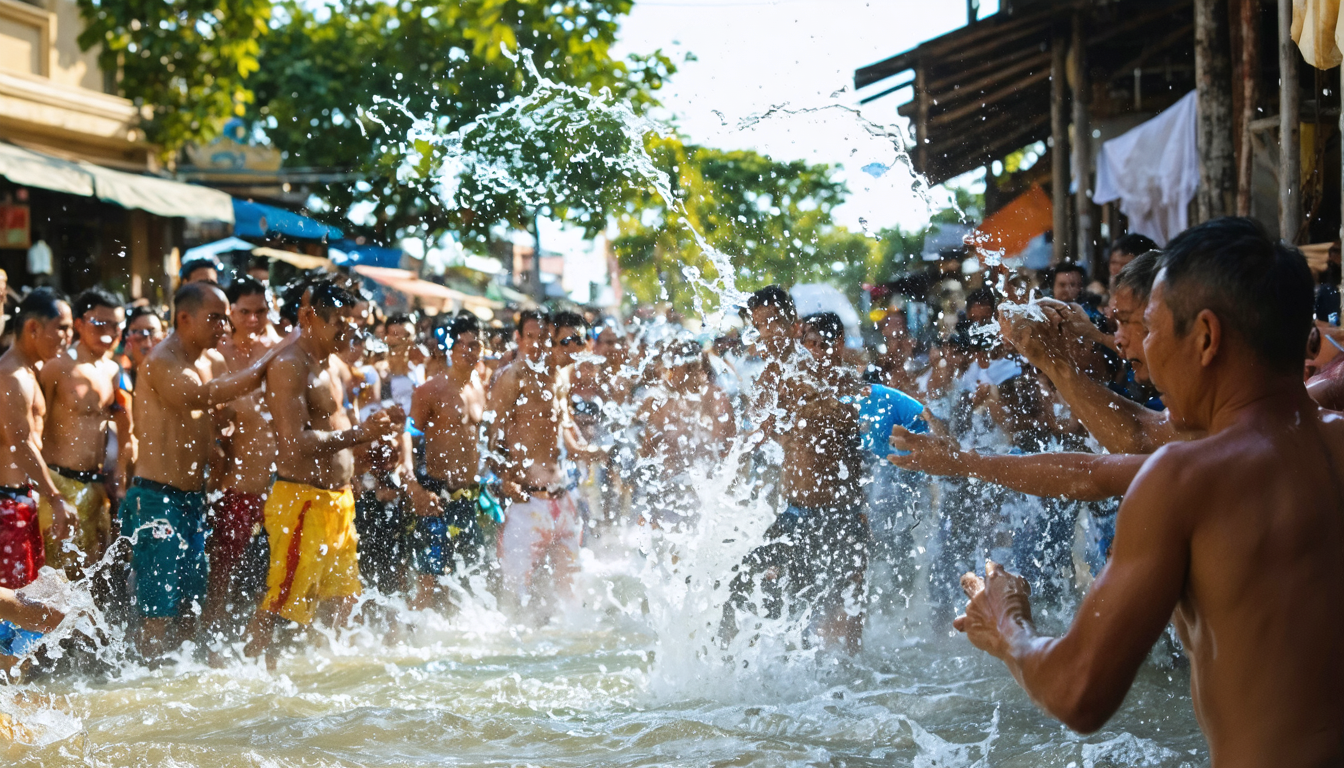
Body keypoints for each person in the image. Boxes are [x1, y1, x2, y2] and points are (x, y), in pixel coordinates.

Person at [954, 217, 1344, 765]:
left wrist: (1005, 622)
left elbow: (1077, 691)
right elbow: (1106, 464)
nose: (1139, 351)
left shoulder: (1184, 478)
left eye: (1152, 328)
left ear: (1206, 337)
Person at [125, 281, 288, 660]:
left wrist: (221, 436)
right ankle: (146, 682)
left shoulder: (211, 361)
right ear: (185, 318)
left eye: (223, 319)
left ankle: (183, 684)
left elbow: (219, 410)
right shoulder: (163, 360)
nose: (224, 328)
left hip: (193, 498)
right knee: (157, 608)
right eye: (215, 318)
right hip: (155, 497)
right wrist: (271, 359)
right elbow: (200, 397)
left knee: (191, 600)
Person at [244, 282, 400, 664]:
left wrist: (372, 449)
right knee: (281, 604)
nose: (349, 334)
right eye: (340, 325)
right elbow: (294, 442)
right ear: (311, 317)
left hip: (339, 501)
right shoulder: (289, 365)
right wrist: (361, 433)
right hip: (301, 502)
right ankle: (250, 681)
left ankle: (320, 679)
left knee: (342, 598)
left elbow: (339, 429)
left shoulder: (335, 363)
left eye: (353, 325)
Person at [722, 312, 868, 652]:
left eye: (824, 344)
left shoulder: (855, 390)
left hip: (844, 513)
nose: (817, 351)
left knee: (849, 604)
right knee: (783, 592)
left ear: (840, 345)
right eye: (810, 344)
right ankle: (763, 655)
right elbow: (759, 425)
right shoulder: (789, 384)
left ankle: (855, 672)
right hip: (798, 512)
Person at [486, 310, 593, 613]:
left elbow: (567, 438)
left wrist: (598, 452)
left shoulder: (563, 376)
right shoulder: (514, 375)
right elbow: (487, 436)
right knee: (514, 598)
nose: (574, 348)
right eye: (567, 341)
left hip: (562, 500)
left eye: (579, 341)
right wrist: (504, 478)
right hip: (526, 502)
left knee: (572, 600)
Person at [204, 277, 282, 658]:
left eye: (261, 311)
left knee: (268, 578)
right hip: (232, 486)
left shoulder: (280, 352)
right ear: (230, 314)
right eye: (245, 312)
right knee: (220, 573)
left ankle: (257, 651)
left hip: (275, 487)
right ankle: (213, 648)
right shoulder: (218, 354)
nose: (254, 319)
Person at [36, 288, 128, 578]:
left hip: (95, 485)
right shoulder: (57, 366)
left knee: (92, 580)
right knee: (57, 580)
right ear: (79, 324)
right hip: (59, 485)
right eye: (100, 323)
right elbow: (31, 429)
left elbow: (126, 428)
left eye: (116, 325)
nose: (109, 332)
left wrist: (120, 475)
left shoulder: (113, 370)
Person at [408, 315, 487, 611]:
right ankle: (411, 638)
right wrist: (413, 489)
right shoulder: (430, 390)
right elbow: (408, 439)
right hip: (435, 494)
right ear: (450, 349)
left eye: (474, 344)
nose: (469, 350)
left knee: (468, 575)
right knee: (428, 578)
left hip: (467, 495)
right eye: (462, 345)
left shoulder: (480, 386)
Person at [0, 289, 74, 591]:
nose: (68, 336)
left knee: (29, 606)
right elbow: (20, 444)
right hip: (7, 504)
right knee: (14, 611)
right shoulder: (12, 376)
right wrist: (56, 499)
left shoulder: (30, 371)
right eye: (63, 327)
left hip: (20, 498)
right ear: (33, 328)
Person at [635, 339, 735, 527]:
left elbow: (728, 447)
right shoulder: (663, 405)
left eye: (674, 368)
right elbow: (647, 456)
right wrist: (648, 506)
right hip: (670, 492)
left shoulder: (715, 399)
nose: (669, 374)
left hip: (706, 494)